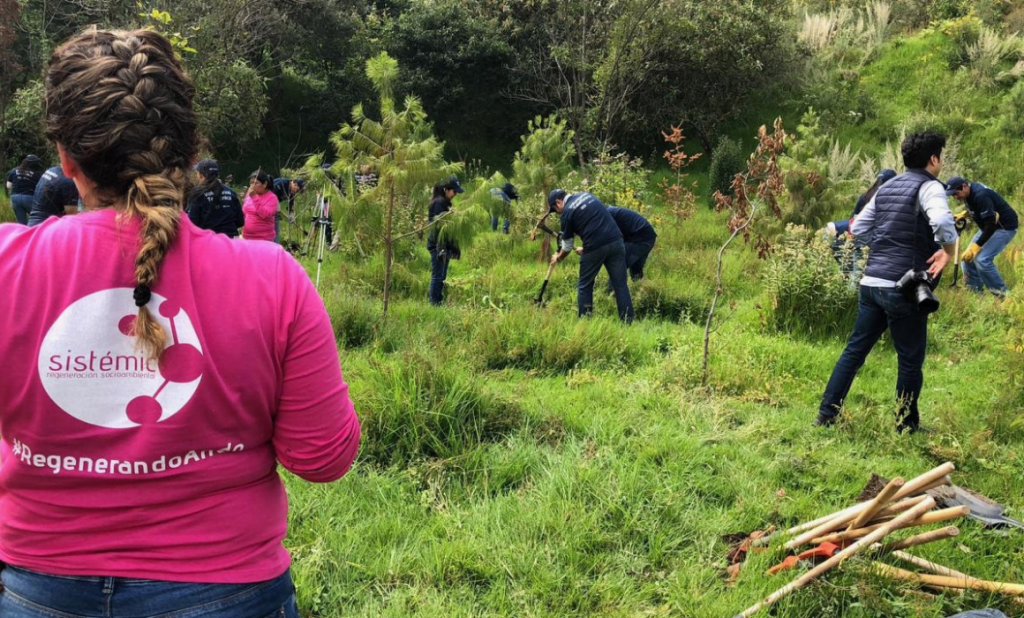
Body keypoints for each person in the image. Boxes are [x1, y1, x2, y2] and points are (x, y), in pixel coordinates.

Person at [0, 29, 359, 616]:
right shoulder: (273, 278)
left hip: (38, 587)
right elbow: (323, 458)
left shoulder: (6, 267)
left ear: (66, 160)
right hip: (229, 589)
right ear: (192, 153)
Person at [815, 132, 957, 433]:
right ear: (934, 159)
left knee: (854, 351)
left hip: (871, 284)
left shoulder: (887, 187)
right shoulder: (930, 186)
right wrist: (948, 252)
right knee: (909, 360)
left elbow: (858, 228)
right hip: (903, 287)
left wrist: (884, 247)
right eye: (941, 156)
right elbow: (943, 221)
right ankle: (906, 425)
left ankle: (826, 415)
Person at [548, 189, 635, 322]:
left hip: (595, 247)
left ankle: (585, 322)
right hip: (616, 241)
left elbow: (567, 246)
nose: (557, 212)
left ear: (558, 202)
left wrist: (558, 258)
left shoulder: (567, 213)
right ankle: (628, 321)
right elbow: (597, 223)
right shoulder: (587, 195)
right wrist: (586, 248)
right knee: (620, 284)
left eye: (555, 210)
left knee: (585, 285)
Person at [944, 175, 1018, 297]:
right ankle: (975, 294)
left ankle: (1003, 297)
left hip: (1004, 227)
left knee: (982, 260)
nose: (955, 197)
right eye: (953, 195)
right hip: (988, 227)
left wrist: (976, 246)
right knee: (967, 259)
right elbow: (980, 207)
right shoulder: (969, 192)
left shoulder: (981, 195)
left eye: (956, 193)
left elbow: (991, 225)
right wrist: (966, 213)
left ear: (964, 186)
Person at [427, 175, 464, 305]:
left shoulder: (445, 203)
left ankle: (439, 301)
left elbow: (448, 229)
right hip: (438, 245)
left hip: (445, 245)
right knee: (437, 276)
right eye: (454, 191)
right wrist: (441, 248)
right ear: (445, 189)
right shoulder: (439, 203)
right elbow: (439, 228)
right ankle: (434, 304)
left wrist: (454, 247)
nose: (455, 194)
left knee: (442, 276)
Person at [187, 158, 244, 238]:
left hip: (208, 241)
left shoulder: (198, 194)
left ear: (201, 176)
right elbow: (240, 222)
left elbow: (192, 223)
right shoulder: (231, 192)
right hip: (230, 241)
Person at [607, 206, 657, 282]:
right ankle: (639, 287)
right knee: (636, 269)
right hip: (647, 237)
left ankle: (611, 289)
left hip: (641, 238)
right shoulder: (607, 212)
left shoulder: (607, 216)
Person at [5, 155, 46, 225]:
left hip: (15, 198)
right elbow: (41, 188)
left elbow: (8, 186)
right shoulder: (36, 174)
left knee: (21, 223)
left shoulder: (14, 170)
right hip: (29, 198)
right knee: (36, 219)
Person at [243, 170, 279, 241]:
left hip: (264, 238)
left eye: (255, 183)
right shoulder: (249, 195)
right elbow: (244, 211)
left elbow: (265, 214)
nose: (252, 186)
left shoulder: (272, 197)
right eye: (251, 183)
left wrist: (254, 197)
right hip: (247, 237)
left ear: (265, 184)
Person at [271, 177, 305, 242]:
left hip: (274, 208)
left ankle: (275, 244)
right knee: (272, 227)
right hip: (265, 205)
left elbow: (291, 203)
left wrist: (291, 215)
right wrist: (276, 206)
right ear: (294, 184)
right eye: (297, 190)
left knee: (276, 229)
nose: (297, 192)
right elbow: (270, 194)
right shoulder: (281, 183)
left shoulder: (292, 191)